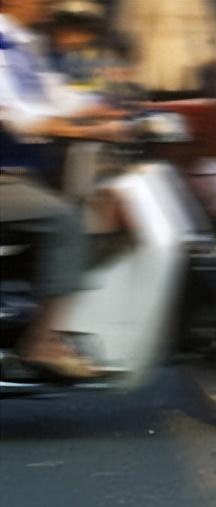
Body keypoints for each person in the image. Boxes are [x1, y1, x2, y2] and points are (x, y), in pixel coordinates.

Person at [0, 0, 126, 378]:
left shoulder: (23, 42)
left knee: (88, 210)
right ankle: (43, 343)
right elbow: (19, 117)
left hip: (22, 173)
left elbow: (53, 95)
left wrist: (106, 109)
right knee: (66, 219)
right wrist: (89, 129)